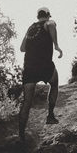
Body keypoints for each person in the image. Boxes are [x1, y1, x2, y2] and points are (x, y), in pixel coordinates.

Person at [19, 7, 63, 142]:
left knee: (27, 102)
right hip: (44, 66)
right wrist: (56, 45)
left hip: (29, 68)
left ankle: (21, 135)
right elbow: (51, 25)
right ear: (48, 15)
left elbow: (22, 48)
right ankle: (50, 115)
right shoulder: (49, 23)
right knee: (54, 84)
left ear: (37, 16)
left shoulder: (30, 28)